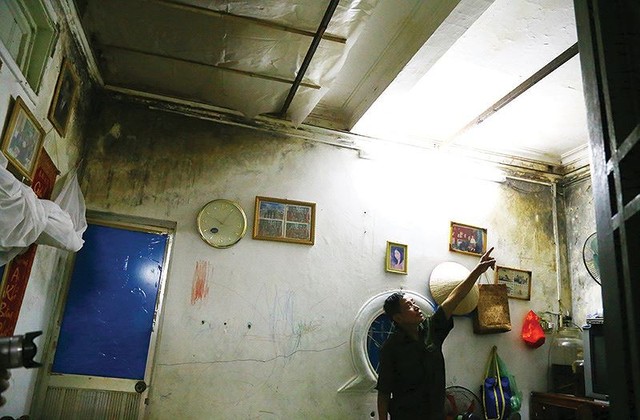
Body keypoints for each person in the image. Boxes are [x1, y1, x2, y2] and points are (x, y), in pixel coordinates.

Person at [376, 247, 496, 420]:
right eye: (409, 306)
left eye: (414, 302)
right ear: (398, 318)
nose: (416, 307)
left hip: (435, 414)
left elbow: (455, 297)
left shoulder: (432, 328)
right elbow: (384, 393)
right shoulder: (391, 348)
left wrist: (478, 270)